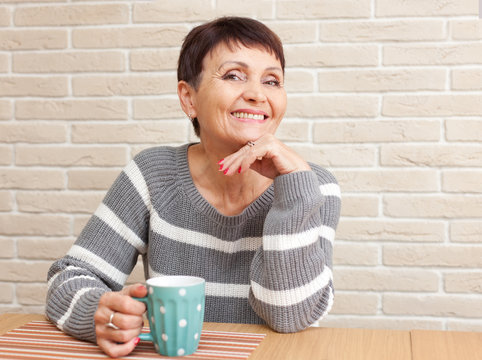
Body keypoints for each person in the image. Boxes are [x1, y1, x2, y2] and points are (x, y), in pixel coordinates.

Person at [46, 16, 341, 358]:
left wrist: (295, 192)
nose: (257, 94)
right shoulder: (153, 175)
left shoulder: (314, 186)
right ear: (189, 98)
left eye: (272, 81)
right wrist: (101, 314)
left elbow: (290, 316)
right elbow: (70, 277)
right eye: (234, 75)